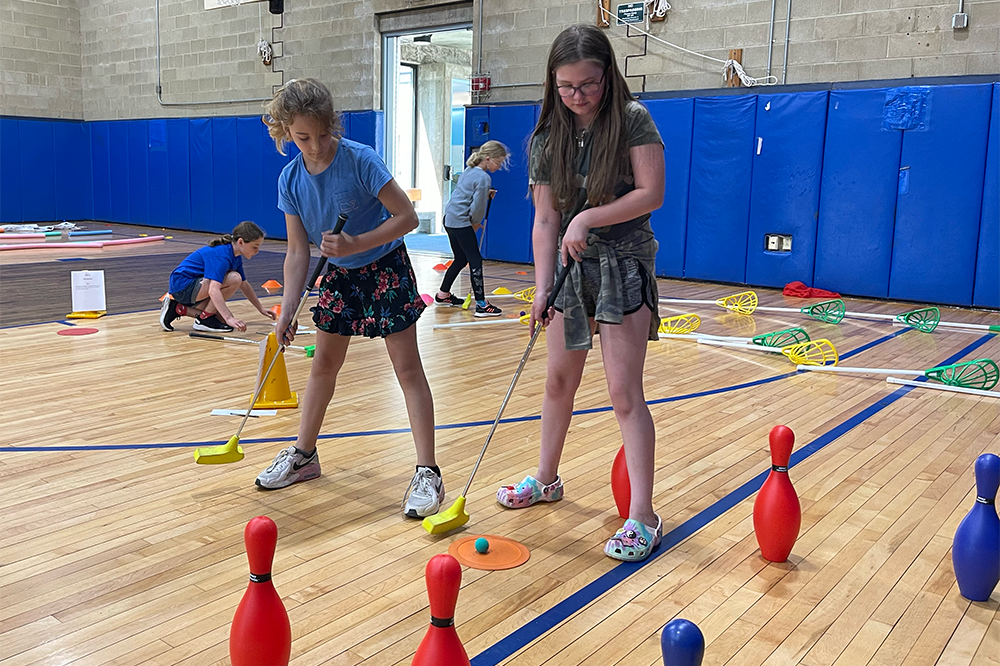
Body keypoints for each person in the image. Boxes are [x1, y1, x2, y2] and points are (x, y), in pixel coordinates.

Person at [494, 25, 665, 562]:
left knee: (622, 392)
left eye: (588, 84)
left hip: (624, 264)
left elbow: (651, 193)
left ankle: (644, 515)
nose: (577, 96)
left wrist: (589, 216)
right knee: (557, 382)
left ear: (607, 76)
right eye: (566, 86)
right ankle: (546, 479)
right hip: (570, 269)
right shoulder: (547, 138)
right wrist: (541, 288)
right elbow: (545, 220)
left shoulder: (634, 120)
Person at [254, 78, 444, 519]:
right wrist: (288, 308)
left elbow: (407, 217)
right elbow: (298, 251)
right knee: (323, 365)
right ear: (285, 131)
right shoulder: (290, 179)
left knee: (408, 369)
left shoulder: (360, 160)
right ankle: (304, 457)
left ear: (332, 125)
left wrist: (357, 243)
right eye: (303, 137)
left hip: (384, 269)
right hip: (339, 276)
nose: (316, 145)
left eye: (322, 134)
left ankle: (428, 471)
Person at [159, 221, 275, 333]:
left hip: (191, 287)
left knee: (220, 316)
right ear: (240, 242)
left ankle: (177, 308)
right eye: (255, 246)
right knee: (234, 279)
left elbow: (245, 285)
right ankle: (204, 320)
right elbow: (213, 290)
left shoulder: (235, 255)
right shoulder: (222, 256)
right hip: (183, 286)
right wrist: (229, 318)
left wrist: (261, 309)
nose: (257, 251)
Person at [435, 140, 508, 317]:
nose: (499, 167)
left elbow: (468, 192)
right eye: (498, 162)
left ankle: (443, 295)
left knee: (460, 258)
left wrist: (485, 192)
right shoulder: (484, 177)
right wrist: (475, 223)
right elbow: (478, 208)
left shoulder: (469, 171)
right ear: (488, 158)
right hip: (461, 221)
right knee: (475, 260)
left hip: (449, 218)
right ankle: (482, 304)